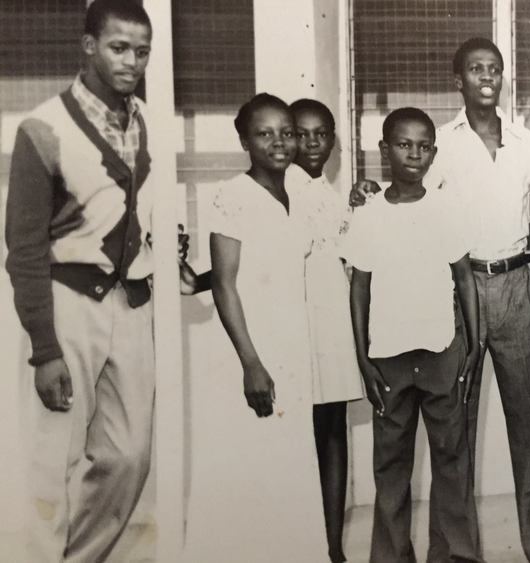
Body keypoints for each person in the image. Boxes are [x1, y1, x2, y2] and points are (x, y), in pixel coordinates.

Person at [350, 37, 530, 563]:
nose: (486, 77)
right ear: (459, 80)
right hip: (459, 289)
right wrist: (366, 192)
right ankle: (450, 552)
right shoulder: (440, 142)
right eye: (475, 69)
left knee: (529, 419)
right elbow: (409, 195)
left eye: (494, 68)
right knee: (455, 427)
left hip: (515, 284)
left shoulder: (527, 143)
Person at [2, 1, 191, 559]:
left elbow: (155, 214)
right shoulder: (44, 128)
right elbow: (24, 249)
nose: (132, 61)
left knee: (130, 456)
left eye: (142, 51)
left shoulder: (154, 123)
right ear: (88, 46)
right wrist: (45, 348)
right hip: (68, 306)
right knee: (50, 464)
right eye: (118, 47)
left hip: (132, 302)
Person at [181, 93, 328, 562]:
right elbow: (225, 284)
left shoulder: (299, 194)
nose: (280, 142)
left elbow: (261, 264)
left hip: (291, 343)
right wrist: (251, 364)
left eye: (287, 132)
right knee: (247, 460)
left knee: (288, 463)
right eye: (265, 134)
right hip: (249, 350)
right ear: (244, 140)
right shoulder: (231, 194)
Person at [344, 107, 482, 563]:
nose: (414, 154)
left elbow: (464, 278)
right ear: (384, 150)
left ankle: (457, 555)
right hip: (388, 357)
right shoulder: (368, 212)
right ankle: (391, 556)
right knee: (390, 465)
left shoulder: (445, 206)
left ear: (433, 153)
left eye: (424, 146)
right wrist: (362, 357)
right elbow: (359, 285)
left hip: (442, 351)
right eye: (404, 145)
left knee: (452, 461)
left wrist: (474, 344)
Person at [288, 98, 365, 563]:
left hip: (332, 323)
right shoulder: (282, 189)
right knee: (303, 431)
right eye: (302, 133)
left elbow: (348, 254)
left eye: (322, 133)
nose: (312, 142)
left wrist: (359, 204)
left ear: (334, 140)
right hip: (299, 324)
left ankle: (333, 545)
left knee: (333, 427)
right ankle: (307, 540)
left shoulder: (329, 193)